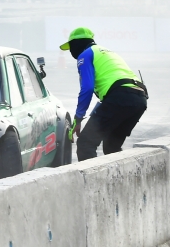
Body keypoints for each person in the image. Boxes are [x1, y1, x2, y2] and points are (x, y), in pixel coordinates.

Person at [60, 27, 148, 161]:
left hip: (120, 97)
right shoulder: (107, 52)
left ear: (77, 44)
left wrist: (78, 118)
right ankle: (120, 180)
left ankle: (91, 182)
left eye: (71, 46)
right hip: (139, 99)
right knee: (112, 146)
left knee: (85, 143)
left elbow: (87, 88)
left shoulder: (85, 55)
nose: (72, 52)